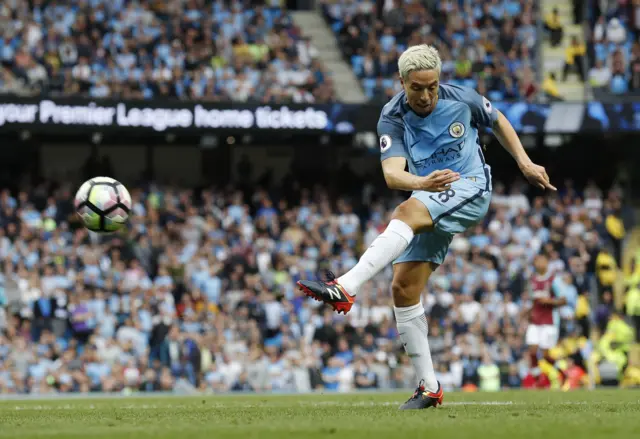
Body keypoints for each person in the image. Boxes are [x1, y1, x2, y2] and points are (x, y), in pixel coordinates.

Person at [297, 44, 555, 410]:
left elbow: (497, 120)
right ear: (402, 82)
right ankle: (429, 388)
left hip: (470, 186)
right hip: (430, 195)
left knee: (406, 212)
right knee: (403, 288)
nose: (425, 94)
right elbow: (391, 173)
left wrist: (525, 163)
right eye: (416, 87)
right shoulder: (392, 116)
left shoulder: (462, 99)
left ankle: (345, 286)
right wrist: (423, 184)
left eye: (431, 86)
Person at [525, 253, 566, 378]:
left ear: (547, 263)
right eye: (537, 261)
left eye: (542, 261)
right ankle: (537, 378)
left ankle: (562, 372)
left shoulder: (554, 280)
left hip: (549, 321)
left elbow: (563, 300)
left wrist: (549, 301)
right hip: (535, 321)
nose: (539, 264)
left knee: (545, 355)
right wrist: (528, 313)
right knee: (532, 350)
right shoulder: (532, 280)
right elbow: (532, 300)